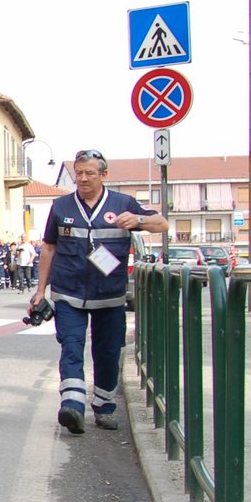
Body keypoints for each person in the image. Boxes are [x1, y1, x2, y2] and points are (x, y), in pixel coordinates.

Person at [30, 148, 166, 434]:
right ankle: (73, 406)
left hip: (110, 294)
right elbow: (49, 248)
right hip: (68, 292)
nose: (83, 178)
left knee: (107, 352)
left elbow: (162, 223)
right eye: (78, 173)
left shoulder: (123, 203)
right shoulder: (61, 207)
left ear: (104, 175)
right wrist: (40, 291)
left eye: (89, 173)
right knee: (71, 347)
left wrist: (138, 220)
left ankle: (104, 407)